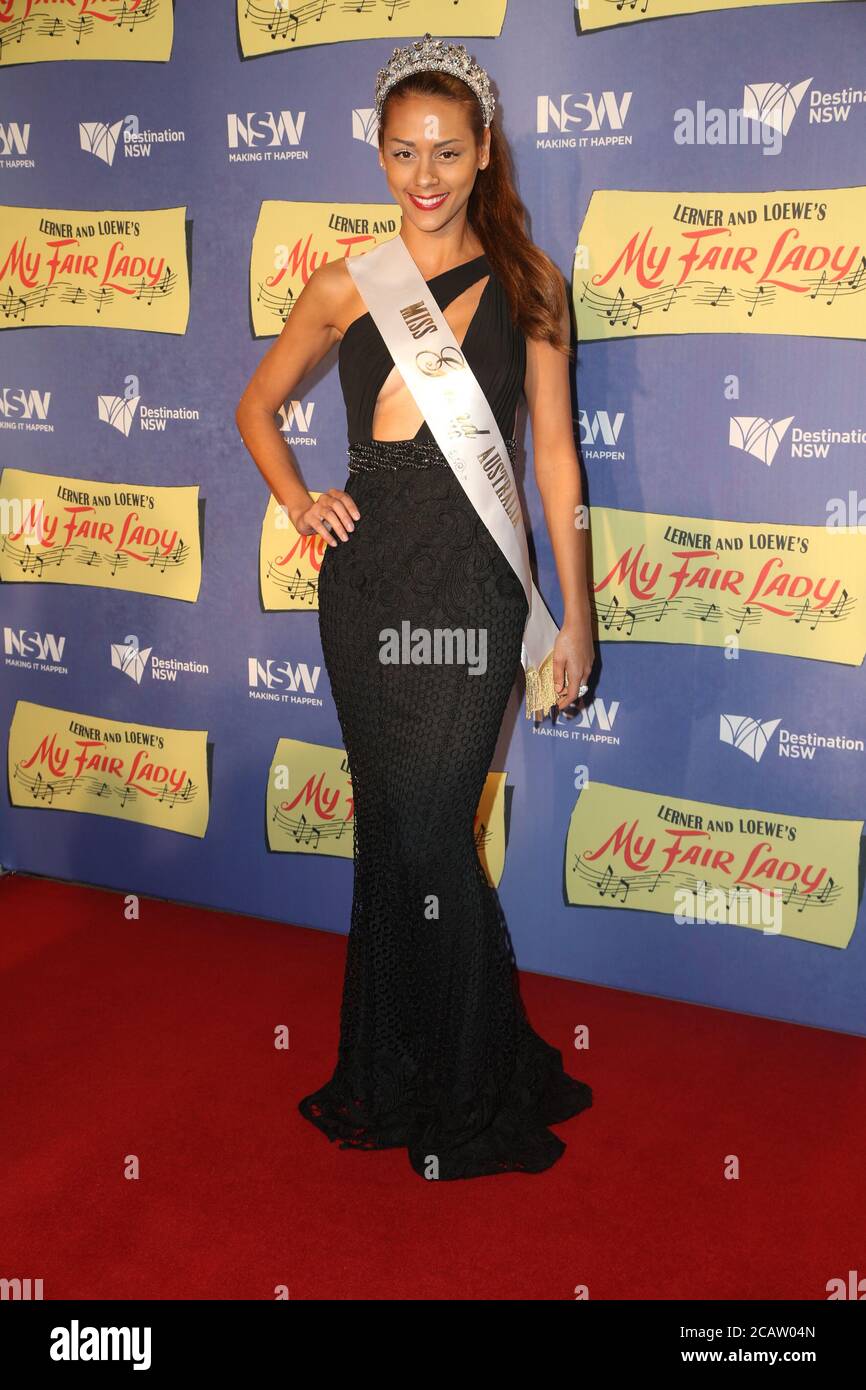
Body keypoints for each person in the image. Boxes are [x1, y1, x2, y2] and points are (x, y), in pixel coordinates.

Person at [235, 33, 594, 1180]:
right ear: (379, 153)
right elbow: (254, 406)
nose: (425, 173)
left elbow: (552, 463)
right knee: (394, 832)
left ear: (485, 151)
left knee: (436, 832)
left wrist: (573, 616)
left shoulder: (532, 287)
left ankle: (470, 1080)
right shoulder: (348, 283)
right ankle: (398, 1068)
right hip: (370, 582)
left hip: (475, 587)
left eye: (448, 149)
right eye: (403, 151)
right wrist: (300, 502)